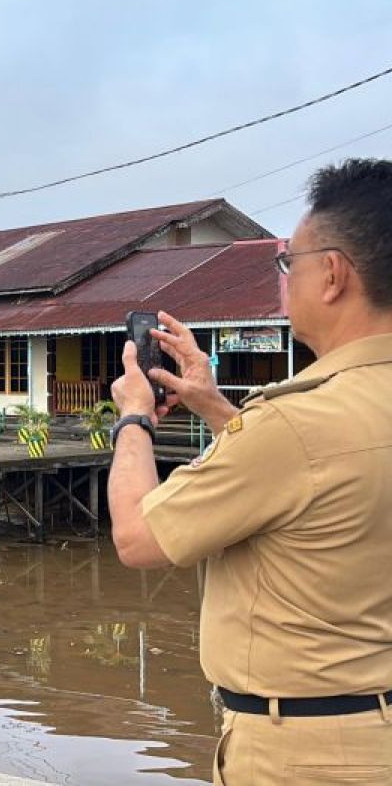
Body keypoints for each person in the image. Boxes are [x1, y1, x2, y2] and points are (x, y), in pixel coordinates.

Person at [107, 158, 392, 785]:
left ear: (334, 274)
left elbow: (136, 535)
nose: (284, 282)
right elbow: (310, 482)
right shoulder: (317, 422)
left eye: (289, 265)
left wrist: (133, 419)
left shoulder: (292, 428)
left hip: (304, 752)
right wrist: (214, 406)